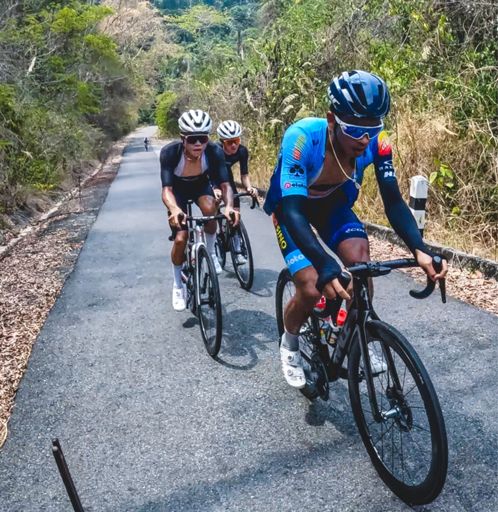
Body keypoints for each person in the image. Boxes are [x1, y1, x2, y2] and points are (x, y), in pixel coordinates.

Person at [263, 70, 448, 388]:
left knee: (362, 267)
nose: (364, 140)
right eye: (354, 130)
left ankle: (357, 337)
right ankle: (290, 343)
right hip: (293, 209)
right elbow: (293, 212)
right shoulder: (302, 137)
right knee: (310, 286)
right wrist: (324, 263)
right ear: (331, 120)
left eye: (372, 129)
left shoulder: (379, 142)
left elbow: (393, 203)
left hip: (332, 207)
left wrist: (419, 248)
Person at [160, 109, 239, 311]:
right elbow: (166, 190)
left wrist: (230, 206)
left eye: (202, 139)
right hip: (177, 190)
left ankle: (210, 253)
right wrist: (174, 209)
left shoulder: (214, 151)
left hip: (200, 186)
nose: (198, 144)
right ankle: (178, 285)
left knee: (211, 210)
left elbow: (226, 185)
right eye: (192, 139)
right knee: (181, 238)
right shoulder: (170, 153)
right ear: (182, 139)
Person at [214, 120, 257, 265]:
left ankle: (237, 248)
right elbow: (208, 172)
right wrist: (215, 189)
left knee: (235, 212)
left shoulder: (242, 151)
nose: (234, 145)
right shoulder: (215, 151)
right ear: (222, 142)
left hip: (227, 178)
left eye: (236, 141)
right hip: (213, 178)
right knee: (213, 204)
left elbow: (244, 174)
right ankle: (217, 233)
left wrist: (249, 188)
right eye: (229, 142)